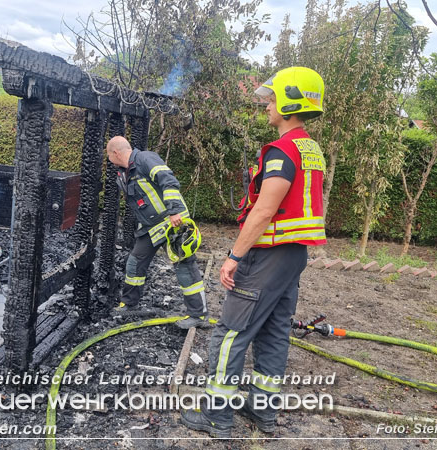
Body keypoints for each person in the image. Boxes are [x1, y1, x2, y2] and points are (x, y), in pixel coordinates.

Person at [180, 66, 327, 437]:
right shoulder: (310, 148)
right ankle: (263, 411)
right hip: (293, 257)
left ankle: (217, 415)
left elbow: (264, 210)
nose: (267, 106)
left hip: (268, 255)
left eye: (273, 99)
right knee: (274, 332)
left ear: (290, 102)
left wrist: (234, 256)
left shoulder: (282, 151)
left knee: (230, 332)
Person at [106, 136, 209, 329]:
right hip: (151, 227)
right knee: (135, 263)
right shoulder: (124, 173)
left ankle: (199, 315)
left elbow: (168, 181)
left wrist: (174, 211)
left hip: (173, 222)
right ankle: (129, 304)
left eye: (109, 156)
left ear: (116, 153)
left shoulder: (145, 159)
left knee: (184, 266)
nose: (109, 161)